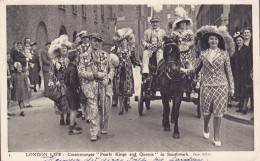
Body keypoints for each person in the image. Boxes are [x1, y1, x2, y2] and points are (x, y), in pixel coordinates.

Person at [181, 26, 234, 147]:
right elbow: (195, 69)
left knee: (218, 112)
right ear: (208, 41)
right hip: (206, 85)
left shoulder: (224, 54)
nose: (214, 41)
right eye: (211, 39)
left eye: (215, 39)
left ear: (219, 41)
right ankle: (205, 126)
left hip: (221, 85)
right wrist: (186, 70)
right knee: (206, 111)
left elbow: (229, 71)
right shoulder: (203, 54)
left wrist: (232, 87)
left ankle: (216, 136)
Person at [78, 33, 114, 141]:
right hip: (91, 86)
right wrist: (94, 75)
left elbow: (111, 68)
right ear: (90, 41)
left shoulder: (105, 55)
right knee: (93, 109)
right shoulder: (84, 56)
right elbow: (80, 72)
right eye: (94, 40)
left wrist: (108, 78)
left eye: (99, 41)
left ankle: (103, 126)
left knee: (105, 109)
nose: (97, 43)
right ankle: (94, 132)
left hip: (104, 86)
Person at [111, 28, 140, 115]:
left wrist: (139, 64)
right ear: (120, 42)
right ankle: (121, 107)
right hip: (119, 73)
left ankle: (127, 102)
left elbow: (133, 60)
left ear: (127, 41)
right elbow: (111, 59)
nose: (124, 43)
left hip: (127, 72)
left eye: (125, 41)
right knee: (119, 89)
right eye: (122, 41)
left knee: (127, 88)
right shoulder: (116, 49)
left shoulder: (131, 50)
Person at [169, 10, 195, 99]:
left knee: (188, 65)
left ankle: (190, 83)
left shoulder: (190, 32)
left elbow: (193, 41)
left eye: (184, 23)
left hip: (187, 52)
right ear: (179, 24)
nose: (183, 25)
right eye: (181, 24)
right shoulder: (175, 32)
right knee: (172, 65)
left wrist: (188, 45)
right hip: (177, 52)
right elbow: (171, 41)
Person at [49, 35, 72, 125]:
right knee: (59, 100)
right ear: (59, 50)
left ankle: (69, 117)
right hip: (59, 83)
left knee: (69, 100)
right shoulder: (55, 60)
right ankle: (62, 117)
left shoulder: (69, 60)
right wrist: (55, 80)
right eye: (62, 48)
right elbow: (51, 72)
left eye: (65, 48)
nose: (64, 50)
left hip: (68, 83)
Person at [65, 50, 83, 135]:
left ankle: (73, 125)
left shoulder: (69, 66)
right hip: (72, 91)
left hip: (68, 90)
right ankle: (71, 129)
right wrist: (76, 89)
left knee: (73, 108)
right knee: (74, 109)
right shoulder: (73, 68)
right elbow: (72, 81)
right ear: (76, 59)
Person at [75, 30, 91, 121]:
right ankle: (83, 112)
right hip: (81, 72)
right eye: (83, 38)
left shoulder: (91, 47)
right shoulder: (79, 48)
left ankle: (88, 114)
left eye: (86, 38)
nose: (85, 39)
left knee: (89, 92)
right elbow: (76, 59)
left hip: (89, 71)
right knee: (82, 92)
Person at [242, 28, 254, 113]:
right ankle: (243, 104)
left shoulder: (252, 43)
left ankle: (252, 106)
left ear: (250, 34)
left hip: (251, 66)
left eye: (247, 33)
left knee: (252, 86)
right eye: (245, 33)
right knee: (246, 86)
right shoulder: (242, 42)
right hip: (244, 67)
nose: (246, 34)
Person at [7, 52, 15, 118]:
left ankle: (7, 111)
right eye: (7, 56)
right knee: (6, 97)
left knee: (9, 97)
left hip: (9, 81)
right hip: (5, 82)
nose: (9, 57)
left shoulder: (8, 63)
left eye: (9, 56)